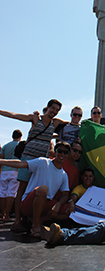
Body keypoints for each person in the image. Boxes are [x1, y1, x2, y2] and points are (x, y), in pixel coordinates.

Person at [0, 99, 68, 231]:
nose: (54, 112)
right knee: (21, 189)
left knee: (35, 190)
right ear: (47, 107)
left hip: (42, 163)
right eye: (52, 108)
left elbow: (72, 124)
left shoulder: (56, 122)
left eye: (57, 110)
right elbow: (14, 115)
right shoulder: (35, 119)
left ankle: (28, 219)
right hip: (28, 157)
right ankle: (17, 221)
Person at [0, 141, 70, 237]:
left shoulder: (64, 175)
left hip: (45, 204)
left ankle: (41, 219)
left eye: (65, 152)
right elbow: (21, 164)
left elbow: (65, 195)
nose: (62, 154)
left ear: (67, 155)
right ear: (55, 152)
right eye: (60, 151)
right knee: (43, 189)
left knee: (69, 211)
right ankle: (36, 226)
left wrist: (58, 204)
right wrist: (1, 161)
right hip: (29, 203)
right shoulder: (43, 162)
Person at [0, 129, 22, 222]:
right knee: (11, 193)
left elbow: (1, 159)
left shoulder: (6, 146)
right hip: (15, 170)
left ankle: (3, 213)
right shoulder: (20, 145)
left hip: (4, 170)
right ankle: (7, 215)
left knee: (2, 192)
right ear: (20, 136)